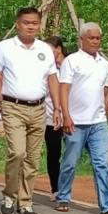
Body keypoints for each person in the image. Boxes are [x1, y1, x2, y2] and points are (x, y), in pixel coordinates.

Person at [0, 7, 61, 214]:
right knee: (17, 153)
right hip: (13, 106)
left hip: (38, 108)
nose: (30, 26)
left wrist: (58, 108)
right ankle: (9, 196)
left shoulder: (44, 49)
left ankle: (25, 202)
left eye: (34, 23)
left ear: (39, 25)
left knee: (33, 159)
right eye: (26, 22)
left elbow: (52, 79)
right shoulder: (5, 47)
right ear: (18, 24)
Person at [56, 23, 108, 214]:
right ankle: (63, 196)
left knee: (101, 163)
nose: (95, 41)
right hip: (76, 122)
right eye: (91, 38)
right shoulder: (72, 61)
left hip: (98, 122)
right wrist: (66, 116)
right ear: (81, 39)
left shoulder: (103, 63)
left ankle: (107, 205)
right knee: (70, 162)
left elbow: (106, 91)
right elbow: (64, 89)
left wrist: (106, 112)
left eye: (97, 38)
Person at [42, 37, 67, 199]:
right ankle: (56, 188)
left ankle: (66, 187)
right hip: (51, 118)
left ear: (58, 49)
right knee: (54, 153)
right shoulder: (44, 68)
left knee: (71, 155)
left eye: (49, 49)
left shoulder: (72, 65)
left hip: (73, 117)